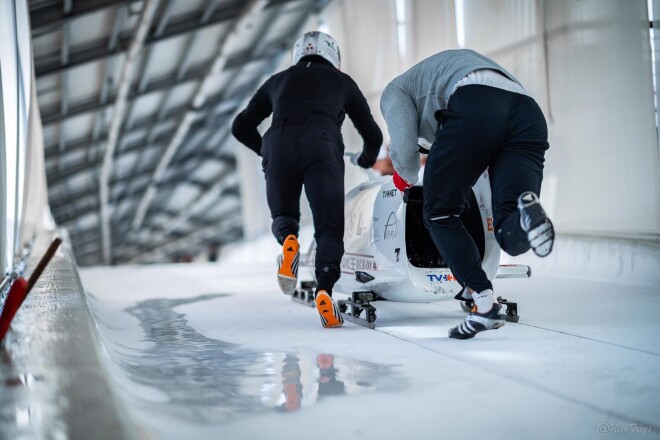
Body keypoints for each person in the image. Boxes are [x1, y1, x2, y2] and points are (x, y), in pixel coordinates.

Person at [380, 49, 555, 339]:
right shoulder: (439, 79)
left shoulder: (395, 91)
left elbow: (405, 156)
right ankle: (527, 215)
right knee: (509, 233)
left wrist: (402, 178)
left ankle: (484, 302)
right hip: (527, 113)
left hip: (475, 102)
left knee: (439, 211)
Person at [232, 31, 383, 328]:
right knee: (328, 227)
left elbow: (241, 125)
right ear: (333, 57)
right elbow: (373, 135)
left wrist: (266, 149)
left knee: (284, 216)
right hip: (322, 142)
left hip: (277, 142)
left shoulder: (277, 80)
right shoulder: (342, 82)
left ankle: (288, 240)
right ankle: (324, 290)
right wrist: (366, 158)